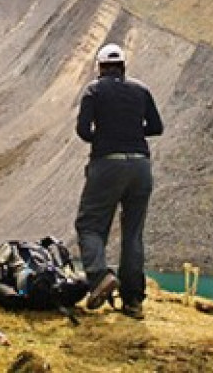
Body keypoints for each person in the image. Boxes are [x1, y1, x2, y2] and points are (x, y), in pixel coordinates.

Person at [74, 42, 164, 320]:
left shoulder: (94, 90)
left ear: (100, 67)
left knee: (89, 224)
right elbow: (157, 127)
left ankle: (100, 275)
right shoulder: (141, 90)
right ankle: (133, 301)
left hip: (107, 164)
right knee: (133, 233)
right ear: (124, 66)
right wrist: (133, 131)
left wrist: (103, 137)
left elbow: (82, 130)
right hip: (140, 166)